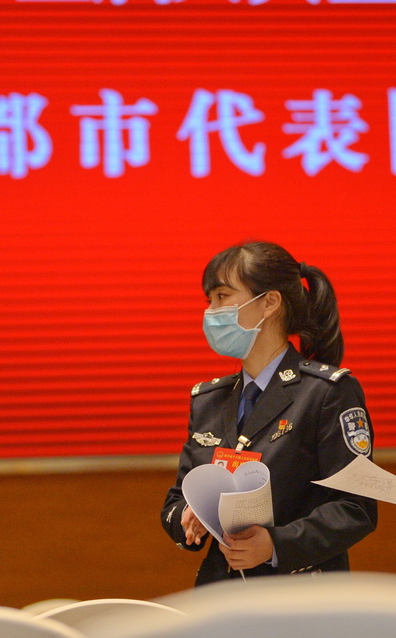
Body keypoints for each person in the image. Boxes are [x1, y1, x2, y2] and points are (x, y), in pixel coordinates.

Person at [161, 241, 377, 584]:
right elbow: (176, 499)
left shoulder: (326, 392)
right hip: (221, 592)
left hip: (301, 593)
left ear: (269, 302)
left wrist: (276, 544)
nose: (211, 311)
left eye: (222, 296)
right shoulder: (208, 399)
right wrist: (189, 515)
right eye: (209, 300)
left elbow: (355, 508)